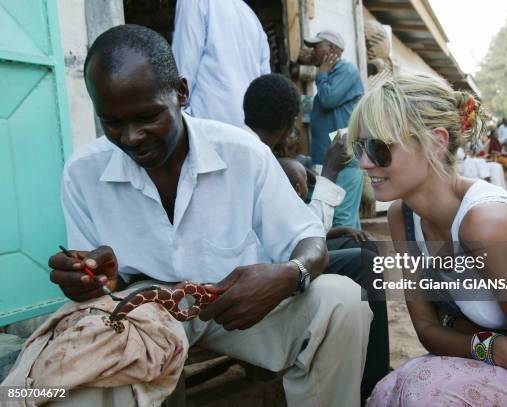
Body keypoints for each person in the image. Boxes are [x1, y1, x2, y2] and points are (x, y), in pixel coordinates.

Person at [44, 25, 371, 407]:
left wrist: (289, 275)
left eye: (147, 116)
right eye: (113, 123)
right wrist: (94, 279)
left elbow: (310, 239)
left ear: (181, 93)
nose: (131, 137)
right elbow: (101, 289)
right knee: (72, 389)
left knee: (342, 300)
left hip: (238, 311)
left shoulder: (241, 152)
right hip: (145, 317)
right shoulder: (83, 173)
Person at [348, 73, 507, 406]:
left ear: (436, 142)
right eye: (360, 147)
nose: (363, 162)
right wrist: (497, 346)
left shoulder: (488, 226)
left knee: (425, 392)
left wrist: (458, 326)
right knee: (392, 389)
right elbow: (427, 329)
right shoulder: (402, 216)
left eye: (378, 148)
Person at [244, 73, 390, 400]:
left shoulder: (255, 152)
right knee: (367, 262)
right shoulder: (259, 159)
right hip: (272, 270)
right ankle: (373, 380)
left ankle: (371, 366)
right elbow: (303, 240)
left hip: (276, 257)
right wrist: (332, 171)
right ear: (289, 122)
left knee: (357, 247)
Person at [171, 0, 270, 127]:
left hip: (207, 127)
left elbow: (183, 69)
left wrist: (177, 123)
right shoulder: (251, 17)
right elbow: (264, 87)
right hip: (247, 132)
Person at [305, 30, 365, 229]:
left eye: (317, 45)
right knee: (344, 219)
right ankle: (359, 256)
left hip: (344, 159)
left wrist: (321, 74)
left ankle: (354, 257)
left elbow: (329, 99)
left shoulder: (346, 71)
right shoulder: (331, 75)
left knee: (341, 220)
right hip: (333, 160)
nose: (313, 50)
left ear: (332, 49)